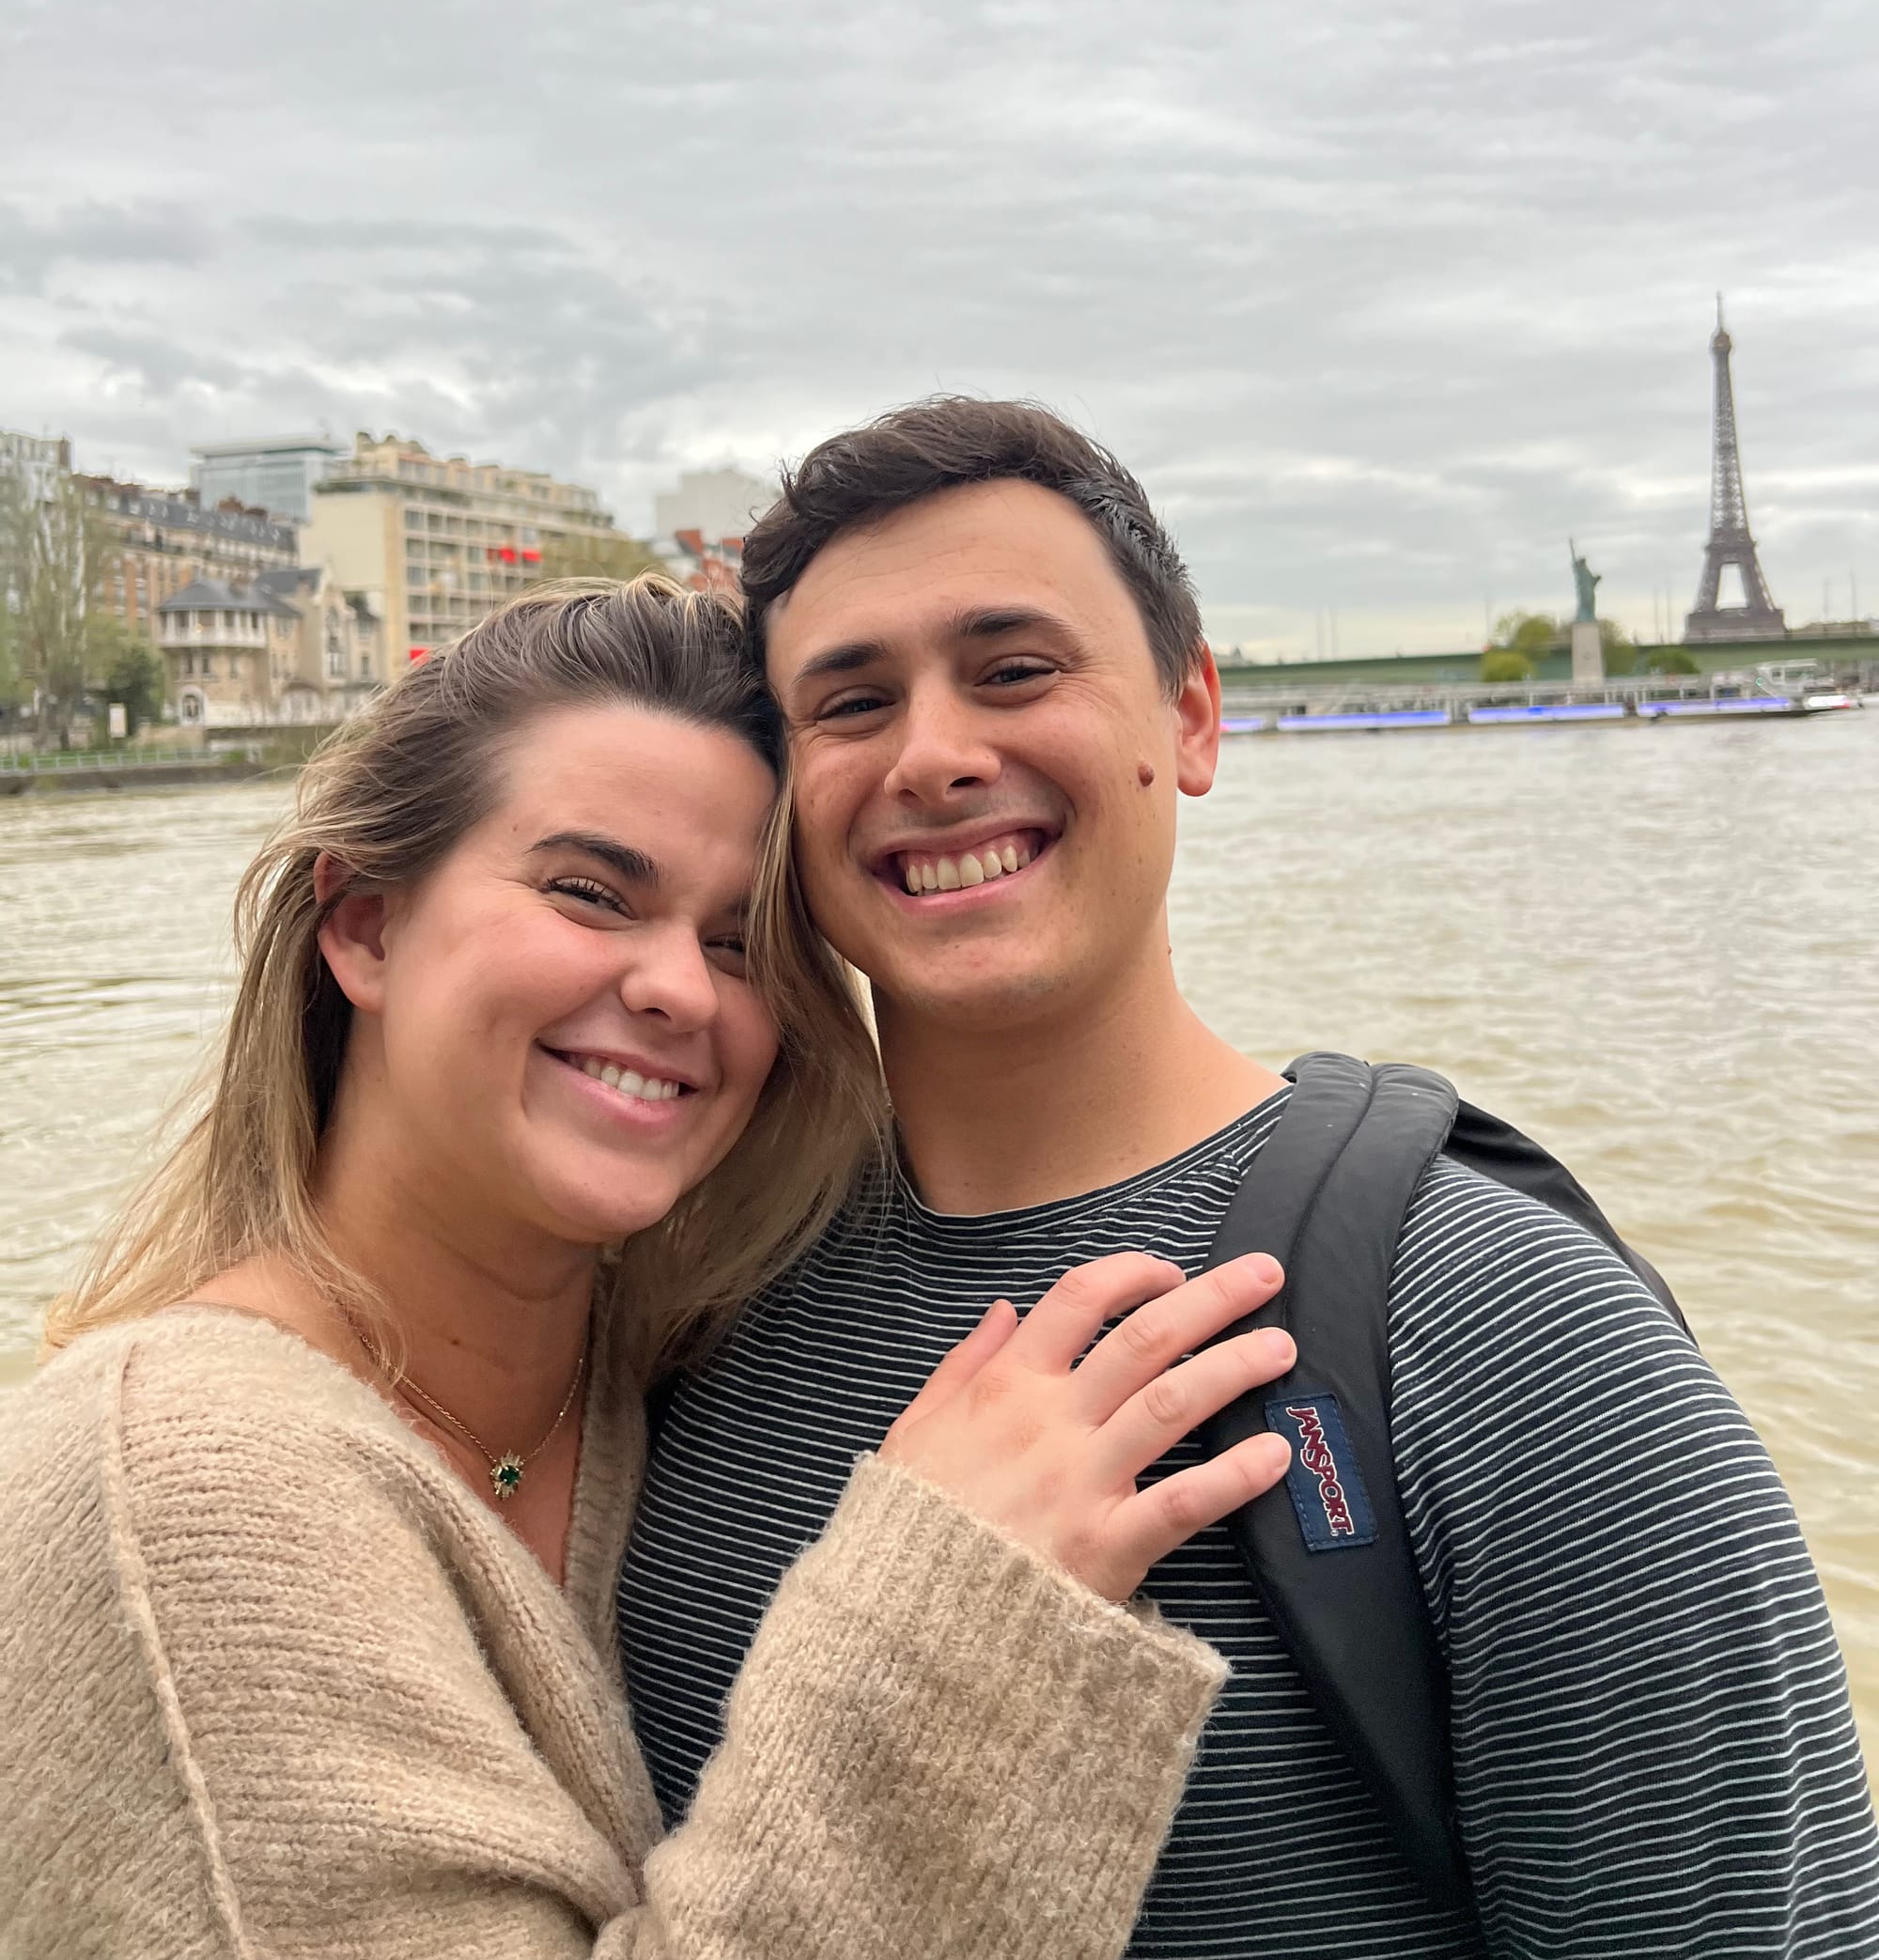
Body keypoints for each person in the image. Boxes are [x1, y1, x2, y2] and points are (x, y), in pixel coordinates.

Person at [621, 399, 1879, 1958]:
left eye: (1015, 670)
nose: (935, 756)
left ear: (1192, 717)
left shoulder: (1518, 1345)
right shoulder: (682, 1299)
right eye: (851, 704)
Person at [0, 576, 1311, 1960]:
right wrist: (956, 1620)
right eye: (587, 892)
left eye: (738, 943)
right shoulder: (174, 1490)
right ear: (365, 928)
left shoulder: (656, 1385)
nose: (681, 990)